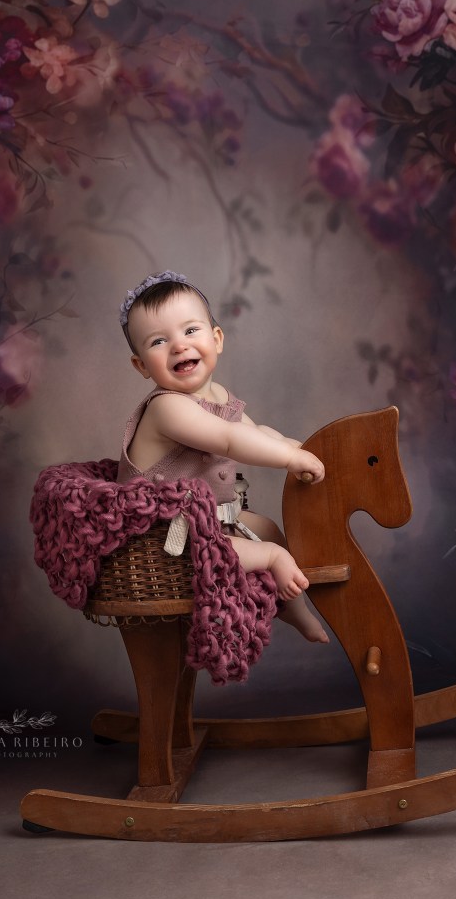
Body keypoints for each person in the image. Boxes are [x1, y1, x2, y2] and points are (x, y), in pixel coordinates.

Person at [117, 270, 329, 644]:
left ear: (216, 339)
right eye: (159, 340)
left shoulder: (218, 397)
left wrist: (289, 444)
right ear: (141, 366)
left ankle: (295, 611)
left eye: (190, 331)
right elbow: (229, 440)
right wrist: (287, 460)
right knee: (257, 551)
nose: (179, 346)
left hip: (209, 520)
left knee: (270, 531)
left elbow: (251, 431)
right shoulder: (166, 408)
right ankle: (270, 561)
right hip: (161, 536)